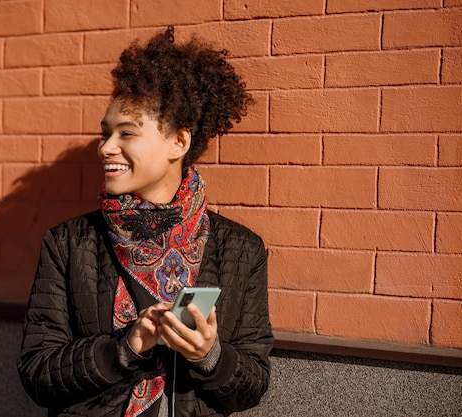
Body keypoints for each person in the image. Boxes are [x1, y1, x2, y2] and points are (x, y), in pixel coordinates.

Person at [17, 26, 273, 417]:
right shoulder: (69, 243)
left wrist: (210, 356)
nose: (106, 148)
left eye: (127, 133)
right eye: (106, 134)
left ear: (178, 143)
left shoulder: (240, 249)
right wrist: (124, 347)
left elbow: (252, 385)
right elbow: (37, 372)